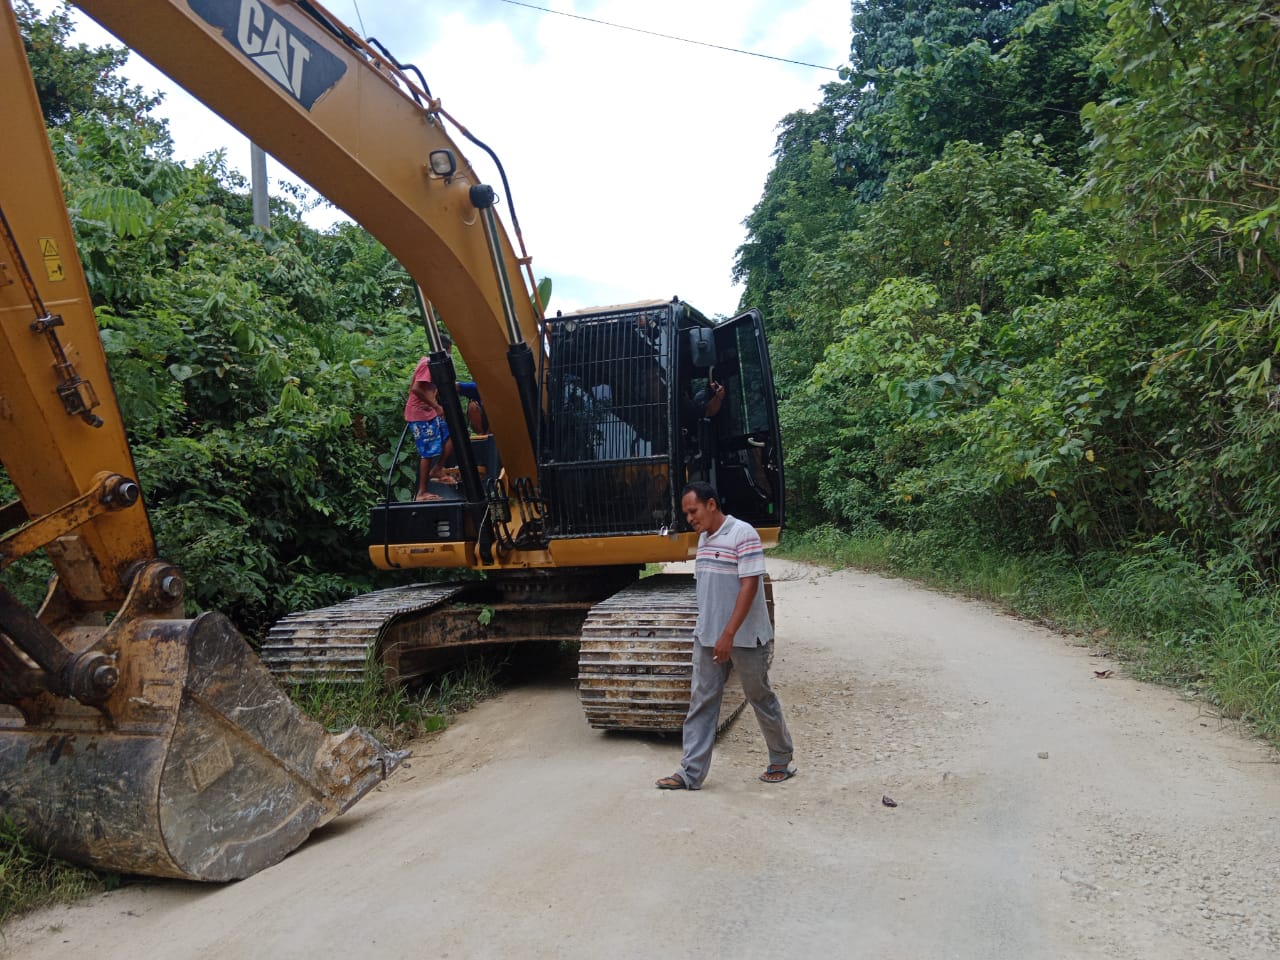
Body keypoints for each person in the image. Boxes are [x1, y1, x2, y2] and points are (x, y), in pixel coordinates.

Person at [656, 481, 795, 790]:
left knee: (759, 696)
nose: (689, 518)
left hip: (744, 638)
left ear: (711, 505)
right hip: (708, 637)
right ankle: (690, 773)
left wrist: (728, 634)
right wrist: (707, 630)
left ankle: (780, 758)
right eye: (686, 513)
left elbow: (749, 586)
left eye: (693, 511)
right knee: (701, 702)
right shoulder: (704, 539)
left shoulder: (743, 534)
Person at [404, 356, 453, 502]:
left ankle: (438, 469)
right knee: (427, 451)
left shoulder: (436, 364)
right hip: (419, 414)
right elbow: (416, 388)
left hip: (429, 411)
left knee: (453, 434)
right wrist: (436, 406)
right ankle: (422, 492)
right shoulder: (428, 364)